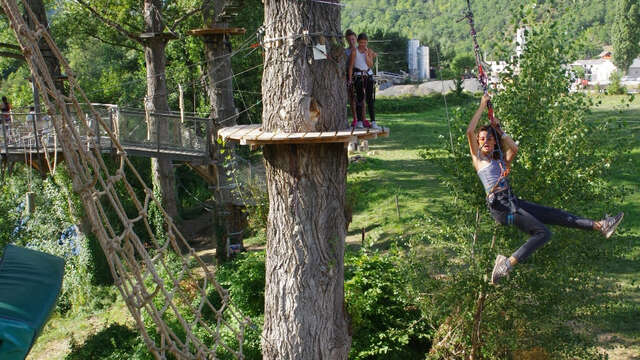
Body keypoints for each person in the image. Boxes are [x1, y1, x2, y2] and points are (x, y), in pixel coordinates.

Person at [467, 94, 624, 285]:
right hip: (502, 209)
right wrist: (483, 106)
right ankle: (506, 264)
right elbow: (470, 131)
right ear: (478, 141)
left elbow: (514, 149)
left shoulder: (500, 160)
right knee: (543, 233)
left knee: (555, 214)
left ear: (494, 143)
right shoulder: (479, 160)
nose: (485, 142)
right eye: (482, 139)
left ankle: (601, 226)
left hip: (512, 203)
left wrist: (499, 130)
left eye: (489, 140)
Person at [350, 33, 380, 130]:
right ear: (358, 42)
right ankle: (359, 121)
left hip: (368, 75)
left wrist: (367, 54)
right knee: (359, 99)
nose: (363, 44)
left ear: (367, 42)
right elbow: (351, 66)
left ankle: (373, 121)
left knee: (370, 99)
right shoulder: (355, 51)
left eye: (365, 42)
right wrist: (350, 79)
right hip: (359, 76)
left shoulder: (369, 51)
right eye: (361, 42)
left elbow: (370, 65)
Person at [344, 29, 358, 128]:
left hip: (359, 75)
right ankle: (355, 119)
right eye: (349, 40)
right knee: (352, 98)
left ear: (356, 39)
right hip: (349, 75)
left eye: (353, 39)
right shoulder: (345, 52)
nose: (351, 41)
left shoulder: (360, 50)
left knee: (361, 98)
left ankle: (362, 119)